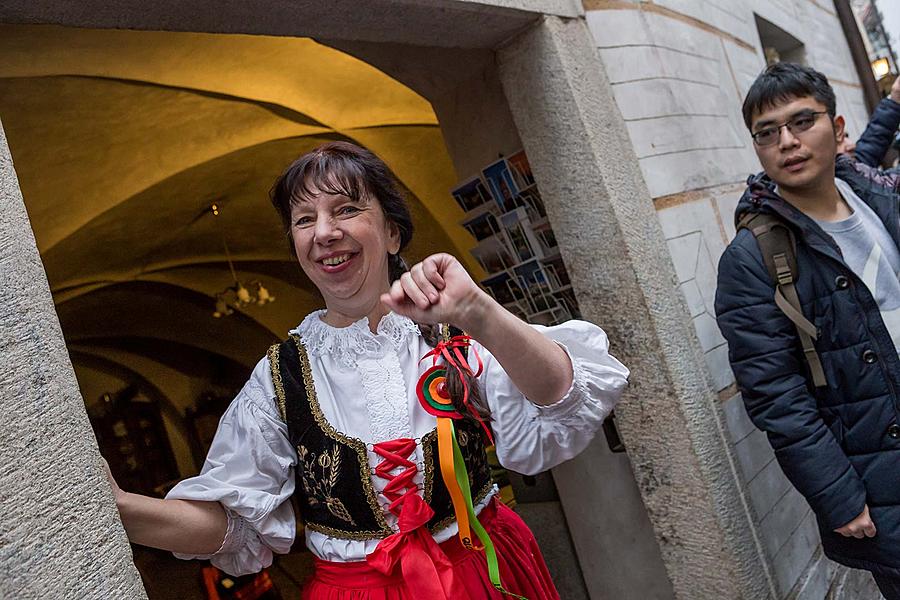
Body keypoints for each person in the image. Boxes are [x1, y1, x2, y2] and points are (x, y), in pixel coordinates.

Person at [105, 141, 629, 599]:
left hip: (485, 573)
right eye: (305, 219)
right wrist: (121, 507)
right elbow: (231, 522)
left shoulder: (454, 332)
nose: (325, 232)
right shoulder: (278, 379)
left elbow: (561, 399)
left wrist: (479, 312)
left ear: (393, 234)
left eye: (347, 209)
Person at [714, 63, 900, 599]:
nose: (787, 142)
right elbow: (775, 396)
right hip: (882, 475)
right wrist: (837, 497)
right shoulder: (753, 259)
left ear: (837, 129)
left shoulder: (876, 195)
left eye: (801, 122)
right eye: (767, 132)